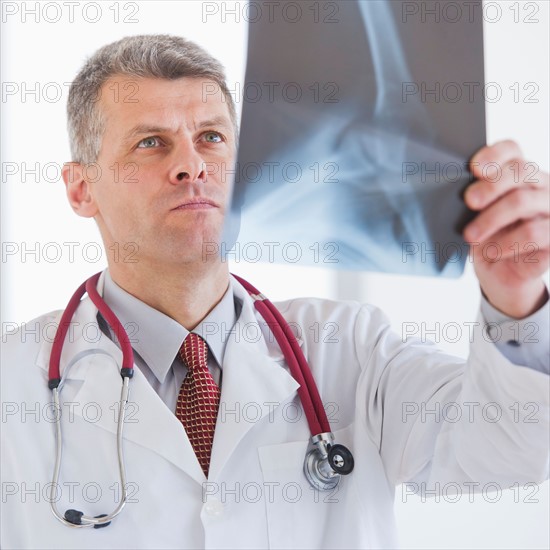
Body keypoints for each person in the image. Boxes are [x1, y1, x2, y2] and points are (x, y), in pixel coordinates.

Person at [1, 34, 548, 550]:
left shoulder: (349, 349)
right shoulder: (14, 383)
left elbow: (511, 449)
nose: (191, 165)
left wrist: (516, 301)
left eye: (211, 137)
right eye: (151, 143)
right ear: (80, 187)